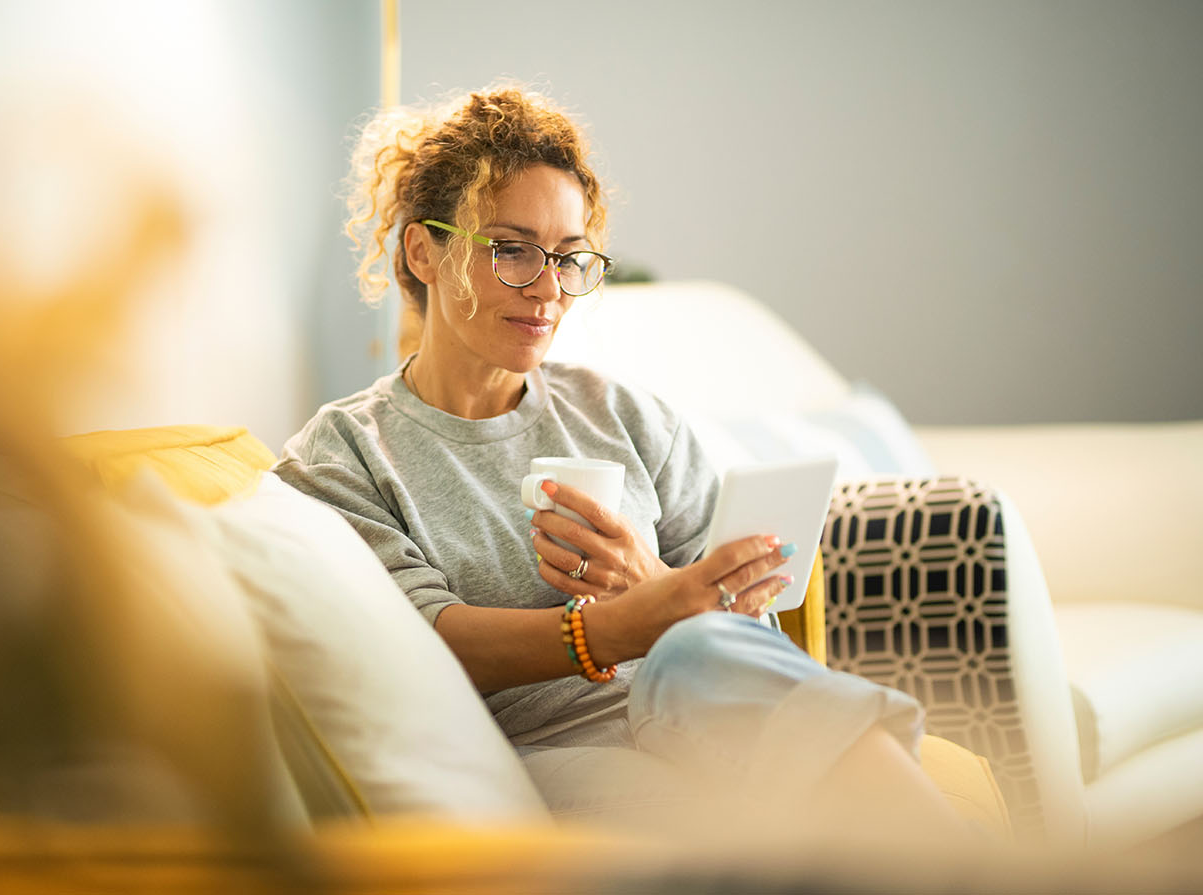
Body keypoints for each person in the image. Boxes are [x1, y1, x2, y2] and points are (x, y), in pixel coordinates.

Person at [273, 86, 969, 841]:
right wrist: (615, 628)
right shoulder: (344, 454)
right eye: (510, 249)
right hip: (542, 746)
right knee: (776, 812)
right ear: (422, 250)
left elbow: (745, 630)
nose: (547, 289)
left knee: (706, 658)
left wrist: (658, 590)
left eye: (570, 259)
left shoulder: (625, 415)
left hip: (698, 705)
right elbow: (422, 640)